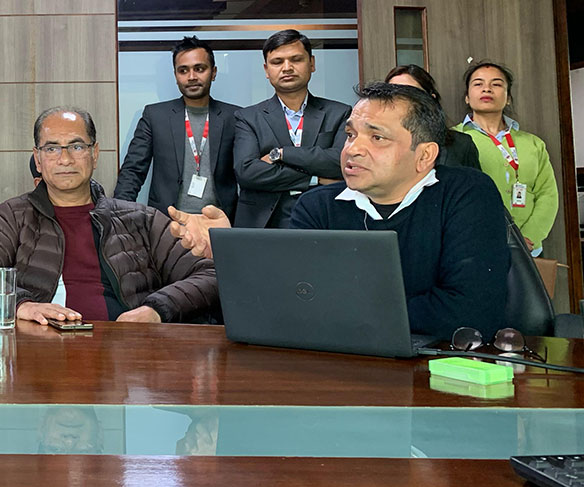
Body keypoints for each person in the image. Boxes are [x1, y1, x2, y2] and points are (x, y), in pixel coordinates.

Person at [172, 83, 510, 338]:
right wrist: (230, 251)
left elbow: (471, 311)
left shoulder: (466, 194)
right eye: (350, 135)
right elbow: (290, 302)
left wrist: (338, 310)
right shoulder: (318, 205)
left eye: (376, 138)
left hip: (440, 371)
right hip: (337, 367)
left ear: (424, 156)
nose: (352, 150)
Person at [0, 107, 218, 324]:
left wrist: (157, 309)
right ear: (38, 159)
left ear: (94, 153)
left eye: (76, 146)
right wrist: (22, 305)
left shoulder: (141, 219)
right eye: (52, 148)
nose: (65, 159)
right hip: (38, 351)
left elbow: (209, 274)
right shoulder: (13, 216)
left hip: (125, 352)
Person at [232, 29, 351, 228]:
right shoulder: (248, 117)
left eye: (296, 59)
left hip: (324, 218)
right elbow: (247, 173)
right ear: (266, 70)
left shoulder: (340, 113)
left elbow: (340, 162)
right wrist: (315, 178)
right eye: (277, 62)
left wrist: (281, 154)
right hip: (265, 223)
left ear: (312, 63)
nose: (287, 68)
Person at [114, 36, 239, 219]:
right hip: (168, 221)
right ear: (175, 75)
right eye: (183, 70)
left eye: (199, 69)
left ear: (213, 72)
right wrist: (119, 216)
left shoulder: (235, 117)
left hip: (220, 222)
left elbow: (247, 171)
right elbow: (133, 171)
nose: (192, 77)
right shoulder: (155, 116)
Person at [455, 60, 559, 255]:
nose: (487, 89)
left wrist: (528, 237)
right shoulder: (453, 140)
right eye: (478, 84)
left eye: (496, 84)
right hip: (477, 248)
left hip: (529, 250)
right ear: (467, 97)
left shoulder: (533, 143)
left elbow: (548, 194)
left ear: (508, 97)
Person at [385, 64, 480, 169]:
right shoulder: (375, 144)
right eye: (393, 94)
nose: (402, 100)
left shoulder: (461, 144)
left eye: (410, 93)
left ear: (430, 99)